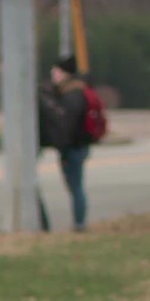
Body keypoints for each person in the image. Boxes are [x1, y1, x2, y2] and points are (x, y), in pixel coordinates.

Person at [39, 55, 95, 232]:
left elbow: (66, 124)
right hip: (76, 146)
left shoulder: (73, 95)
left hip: (74, 147)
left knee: (76, 186)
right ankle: (79, 222)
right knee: (75, 186)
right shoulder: (71, 91)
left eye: (57, 71)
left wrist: (62, 146)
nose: (53, 74)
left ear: (66, 73)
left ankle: (80, 223)